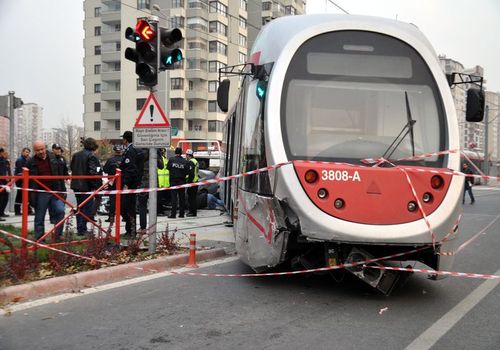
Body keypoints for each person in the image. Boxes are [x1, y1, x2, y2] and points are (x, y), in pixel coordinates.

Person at [26, 141, 67, 240]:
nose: (40, 151)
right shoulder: (30, 162)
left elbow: (60, 175)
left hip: (55, 190)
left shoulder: (53, 158)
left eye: (42, 149)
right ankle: (40, 238)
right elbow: (26, 180)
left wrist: (62, 191)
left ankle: (58, 235)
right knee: (40, 216)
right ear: (34, 151)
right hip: (40, 192)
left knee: (60, 211)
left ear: (45, 148)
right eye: (37, 150)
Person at [70, 138, 101, 235]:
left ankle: (80, 228)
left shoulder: (76, 155)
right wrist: (95, 186)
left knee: (79, 207)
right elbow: (92, 173)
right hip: (86, 186)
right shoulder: (91, 156)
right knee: (87, 208)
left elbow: (72, 167)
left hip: (76, 184)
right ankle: (82, 229)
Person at [118, 130, 143, 237]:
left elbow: (131, 168)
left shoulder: (131, 150)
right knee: (129, 207)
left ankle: (131, 231)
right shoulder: (136, 149)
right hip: (135, 182)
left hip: (130, 183)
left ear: (125, 139)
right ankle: (130, 230)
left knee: (126, 208)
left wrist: (126, 183)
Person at [167, 147, 190, 218]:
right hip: (182, 181)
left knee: (174, 198)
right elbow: (187, 172)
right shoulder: (185, 161)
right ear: (181, 153)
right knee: (181, 198)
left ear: (175, 152)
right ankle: (181, 214)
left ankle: (173, 214)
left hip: (173, 181)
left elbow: (168, 168)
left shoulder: (171, 160)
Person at [103, 144, 123, 222]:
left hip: (112, 182)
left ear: (114, 151)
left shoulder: (110, 160)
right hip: (122, 182)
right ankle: (125, 216)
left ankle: (111, 217)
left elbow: (105, 170)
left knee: (112, 200)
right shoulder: (124, 159)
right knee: (122, 199)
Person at [14, 147, 34, 216]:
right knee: (21, 195)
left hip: (24, 180)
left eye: (28, 152)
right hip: (20, 180)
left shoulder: (27, 159)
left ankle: (25, 210)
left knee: (23, 195)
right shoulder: (20, 160)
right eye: (26, 152)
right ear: (22, 152)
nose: (27, 153)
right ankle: (19, 210)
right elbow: (20, 171)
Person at [185, 149, 199, 217]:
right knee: (193, 198)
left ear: (188, 155)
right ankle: (193, 212)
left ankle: (192, 212)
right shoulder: (195, 161)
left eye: (186, 155)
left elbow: (191, 174)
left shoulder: (191, 162)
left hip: (192, 182)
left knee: (191, 198)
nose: (186, 157)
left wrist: (189, 183)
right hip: (196, 181)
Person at [157, 148, 170, 216]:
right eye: (163, 151)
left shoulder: (164, 159)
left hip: (164, 182)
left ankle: (160, 211)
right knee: (159, 199)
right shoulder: (159, 159)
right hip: (160, 181)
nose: (164, 153)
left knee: (161, 199)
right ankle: (159, 211)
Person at [0, 148, 11, 219]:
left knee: (5, 198)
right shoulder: (1, 161)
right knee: (1, 198)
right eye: (5, 152)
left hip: (5, 182)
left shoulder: (5, 161)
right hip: (1, 182)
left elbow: (8, 171)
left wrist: (9, 181)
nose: (6, 153)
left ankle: (1, 212)